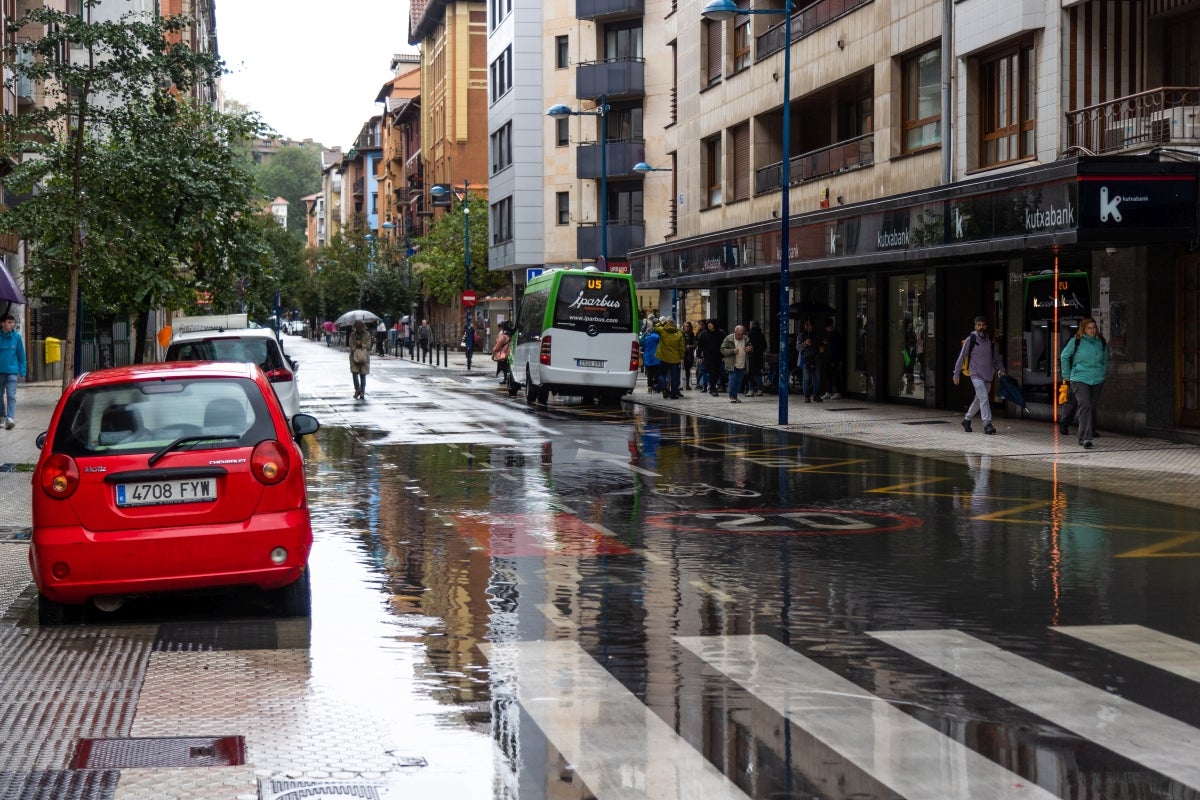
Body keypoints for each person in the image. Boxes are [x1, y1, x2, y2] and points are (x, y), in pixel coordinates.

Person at [1059, 316, 1107, 449]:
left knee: (1091, 406)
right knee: (1085, 404)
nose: (1092, 330)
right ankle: (1085, 437)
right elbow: (1064, 356)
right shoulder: (1077, 341)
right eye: (1089, 328)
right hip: (1079, 378)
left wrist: (1102, 372)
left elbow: (1105, 358)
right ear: (1083, 329)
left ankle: (1088, 432)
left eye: (1094, 328)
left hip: (1097, 379)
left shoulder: (1100, 342)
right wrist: (1067, 376)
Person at [953, 315, 1005, 434]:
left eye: (983, 325)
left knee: (979, 399)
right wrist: (956, 373)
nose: (981, 327)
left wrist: (1002, 369)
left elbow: (996, 358)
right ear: (975, 326)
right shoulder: (970, 339)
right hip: (975, 374)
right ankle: (987, 424)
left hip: (988, 375)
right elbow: (961, 357)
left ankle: (967, 419)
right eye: (979, 325)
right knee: (984, 398)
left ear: (986, 326)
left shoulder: (991, 340)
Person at [0, 313, 27, 430]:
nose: (12, 325)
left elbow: (21, 355)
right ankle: (3, 416)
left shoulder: (17, 337)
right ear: (2, 324)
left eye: (13, 322)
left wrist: (23, 370)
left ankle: (10, 418)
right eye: (9, 322)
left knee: (11, 395)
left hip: (12, 372)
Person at [720, 324, 751, 403]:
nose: (740, 336)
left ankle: (735, 396)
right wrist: (732, 351)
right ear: (735, 332)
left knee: (738, 381)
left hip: (742, 363)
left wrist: (750, 348)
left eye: (742, 334)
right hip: (732, 364)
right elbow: (722, 349)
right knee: (733, 380)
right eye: (739, 334)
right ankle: (731, 397)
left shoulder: (746, 338)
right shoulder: (729, 338)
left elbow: (751, 347)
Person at [655, 318, 685, 399]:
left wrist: (661, 323)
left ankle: (664, 389)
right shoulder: (679, 333)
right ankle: (673, 394)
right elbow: (682, 348)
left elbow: (655, 327)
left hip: (664, 358)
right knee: (675, 377)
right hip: (675, 359)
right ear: (674, 324)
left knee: (662, 374)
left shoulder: (662, 331)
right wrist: (682, 357)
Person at [697, 319, 725, 396]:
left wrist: (724, 356)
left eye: (711, 323)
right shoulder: (704, 334)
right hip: (707, 357)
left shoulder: (720, 333)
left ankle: (712, 387)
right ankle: (713, 389)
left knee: (716, 373)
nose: (709, 325)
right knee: (711, 372)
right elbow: (700, 346)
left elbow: (723, 345)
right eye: (708, 323)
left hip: (718, 357)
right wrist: (699, 356)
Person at [797, 319, 822, 403]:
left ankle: (816, 395)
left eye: (809, 325)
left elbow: (820, 345)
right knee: (806, 378)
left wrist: (820, 347)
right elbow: (798, 347)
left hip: (815, 359)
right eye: (806, 325)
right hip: (805, 360)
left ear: (812, 326)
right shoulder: (801, 335)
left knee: (817, 378)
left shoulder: (816, 335)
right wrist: (805, 343)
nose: (807, 327)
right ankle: (807, 396)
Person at [820, 318, 843, 400]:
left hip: (834, 358)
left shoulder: (836, 334)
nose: (827, 329)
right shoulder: (828, 334)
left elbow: (837, 346)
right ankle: (829, 392)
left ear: (831, 326)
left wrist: (828, 343)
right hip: (828, 357)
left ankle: (837, 392)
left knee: (835, 375)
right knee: (828, 375)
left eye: (828, 327)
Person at [349, 320, 372, 399]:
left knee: (363, 374)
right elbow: (351, 345)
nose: (359, 328)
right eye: (357, 327)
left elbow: (369, 346)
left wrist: (362, 344)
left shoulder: (367, 335)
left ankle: (362, 391)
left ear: (363, 327)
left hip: (364, 357)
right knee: (354, 373)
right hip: (354, 357)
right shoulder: (352, 335)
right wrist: (355, 346)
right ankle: (357, 389)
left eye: (360, 327)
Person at [746, 320, 768, 397]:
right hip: (759, 356)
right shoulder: (761, 334)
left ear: (751, 326)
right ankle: (760, 390)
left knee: (750, 374)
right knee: (758, 374)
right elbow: (764, 346)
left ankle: (751, 390)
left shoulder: (749, 334)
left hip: (751, 357)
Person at [641, 323, 661, 393]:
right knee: (656, 374)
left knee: (649, 374)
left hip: (648, 358)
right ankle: (656, 387)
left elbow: (642, 346)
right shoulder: (657, 336)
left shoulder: (646, 338)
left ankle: (649, 388)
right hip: (656, 358)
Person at [492, 321, 514, 385]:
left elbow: (499, 343)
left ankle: (505, 379)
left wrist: (494, 349)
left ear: (500, 327)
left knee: (503, 366)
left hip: (503, 352)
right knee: (506, 366)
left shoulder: (502, 333)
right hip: (508, 350)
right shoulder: (509, 332)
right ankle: (506, 379)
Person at [681, 321, 696, 390]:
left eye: (688, 326)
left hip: (689, 355)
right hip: (681, 355)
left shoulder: (692, 335)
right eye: (685, 326)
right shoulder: (680, 334)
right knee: (680, 370)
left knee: (687, 370)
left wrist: (689, 346)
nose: (686, 328)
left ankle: (687, 384)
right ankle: (680, 385)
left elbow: (695, 345)